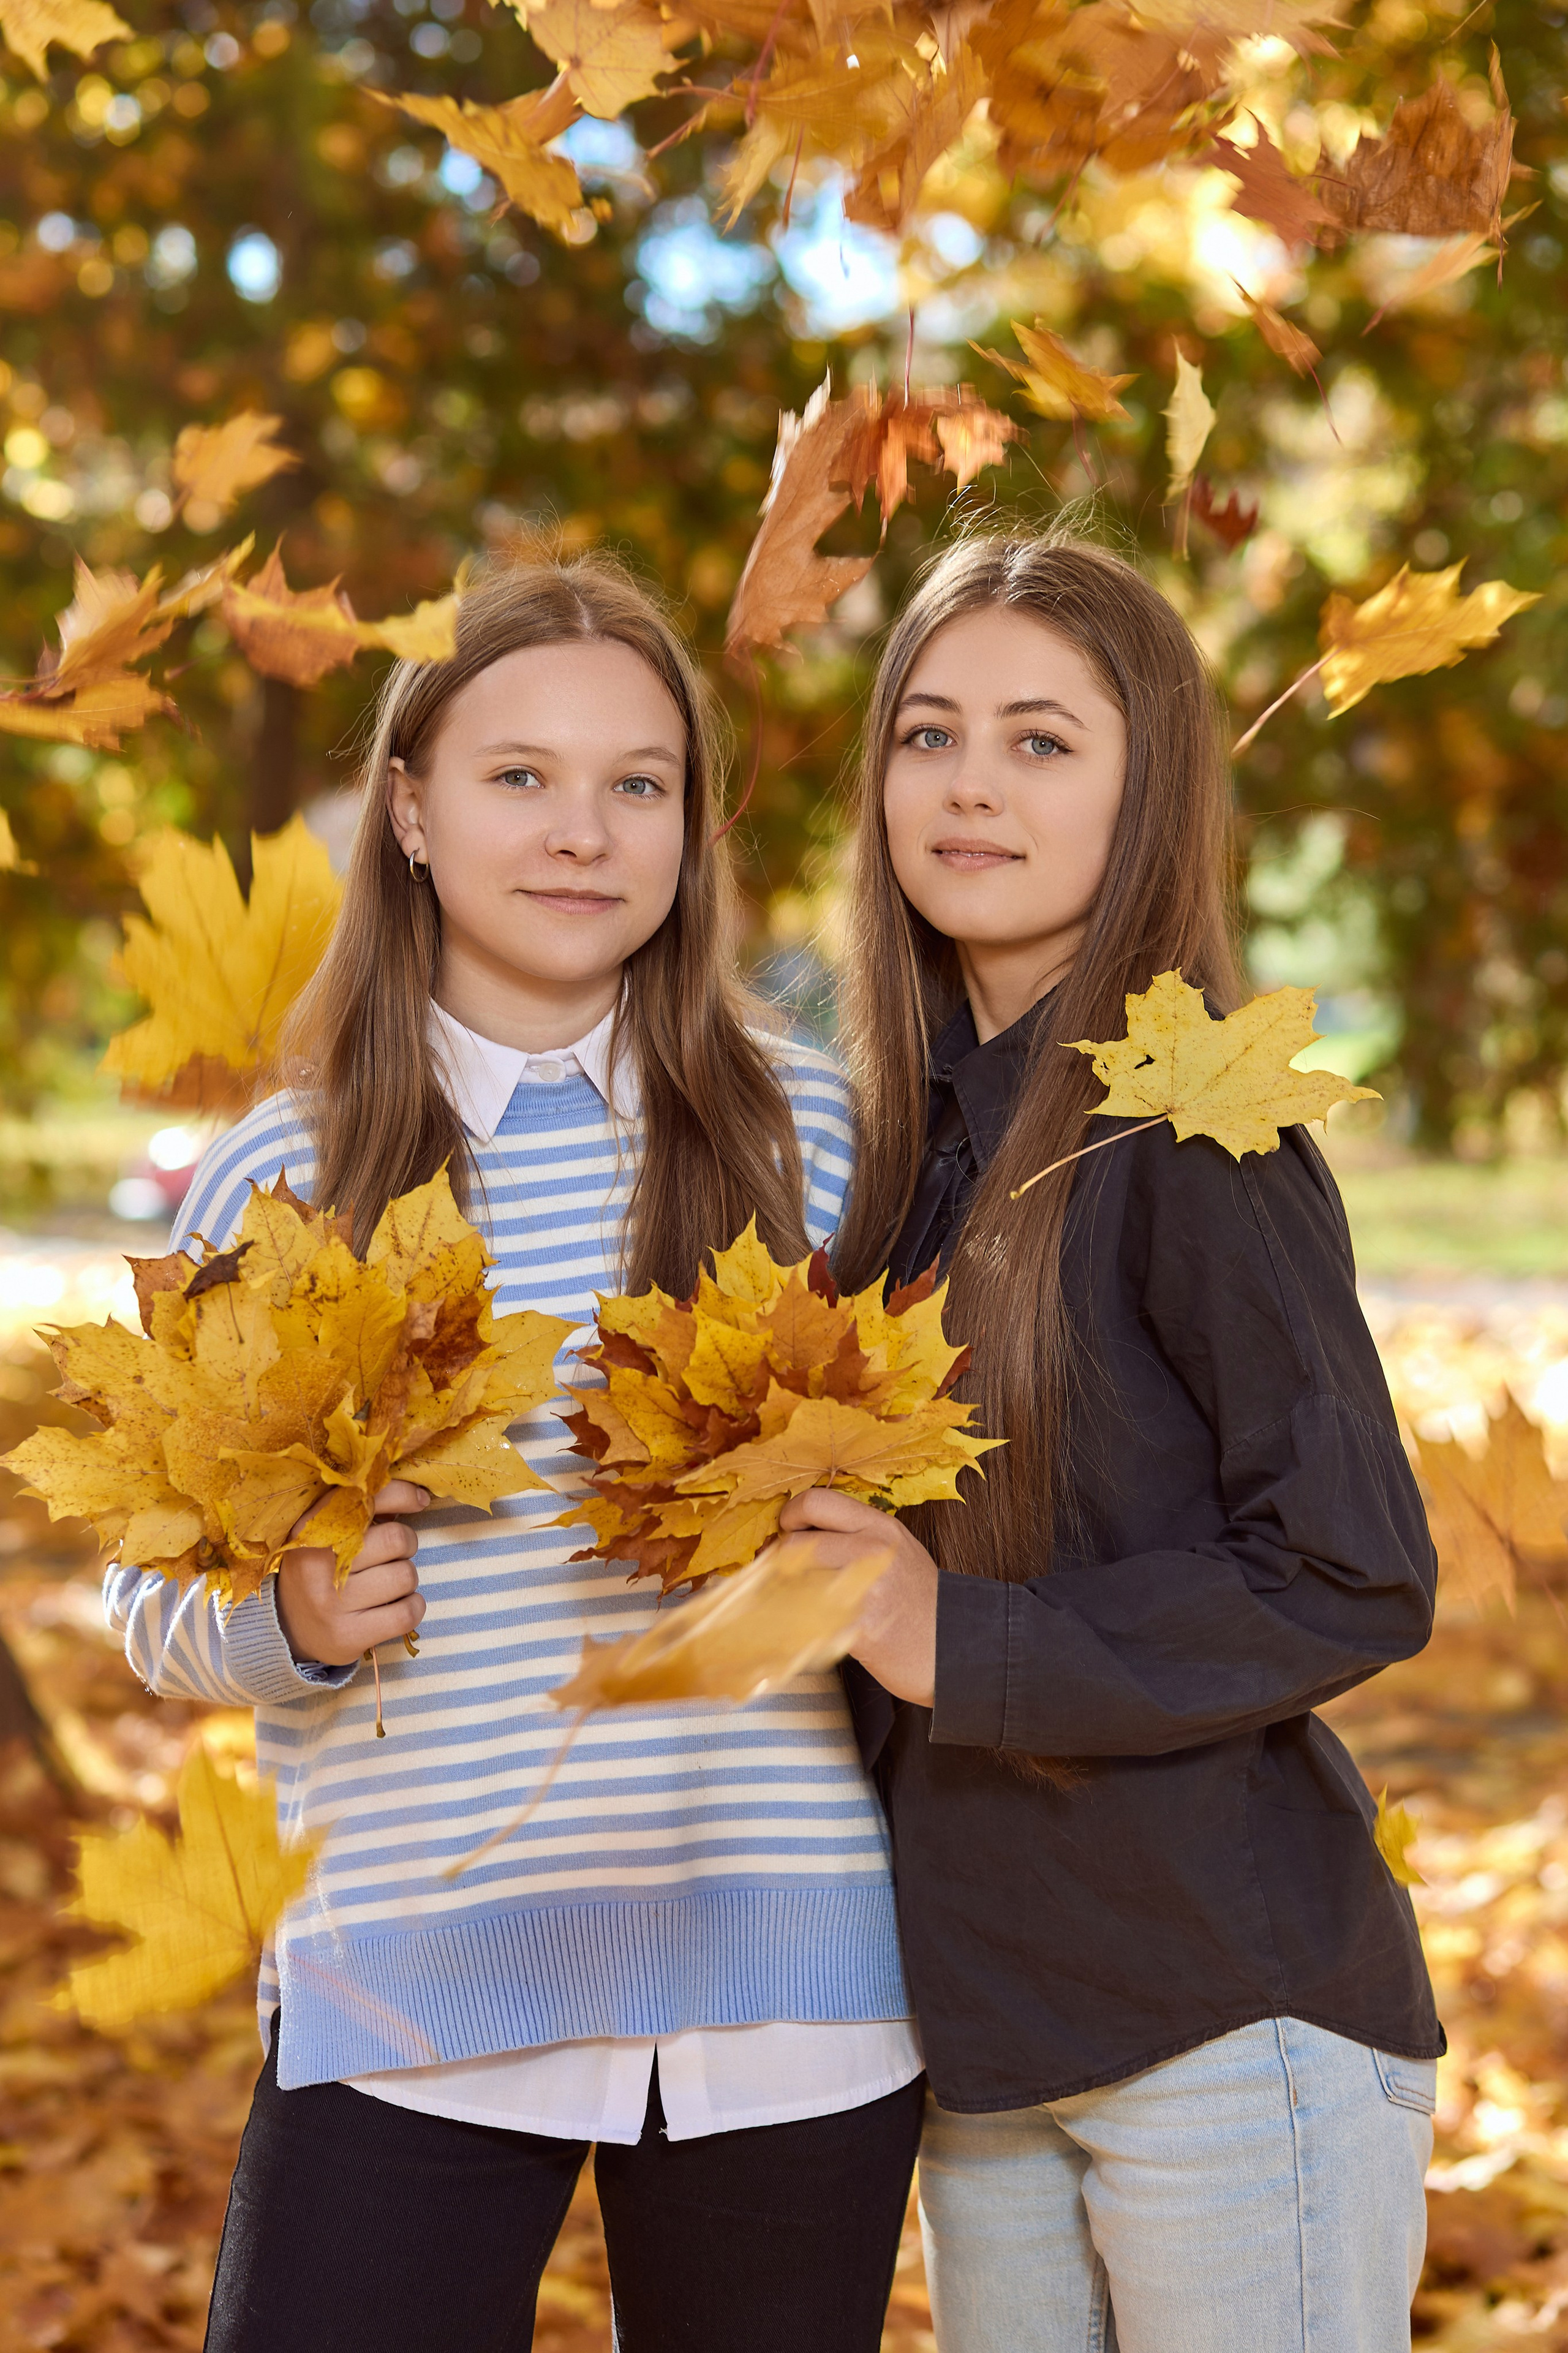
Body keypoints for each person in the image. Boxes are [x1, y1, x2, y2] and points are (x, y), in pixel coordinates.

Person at [105, 554, 922, 2353]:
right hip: (414, 1973)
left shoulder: (812, 1128)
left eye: (639, 783)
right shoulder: (289, 1173)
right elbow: (143, 1586)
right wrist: (292, 1621)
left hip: (781, 1986)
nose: (584, 831)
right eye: (518, 776)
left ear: (691, 829)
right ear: (408, 807)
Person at [782, 529, 1443, 2353]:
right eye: (928, 733)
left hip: (1221, 2023)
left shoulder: (1187, 1130)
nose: (971, 782)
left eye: (1042, 739)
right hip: (989, 2049)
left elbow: (1355, 1570)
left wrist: (954, 1639)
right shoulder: (890, 1171)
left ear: (1147, 791)